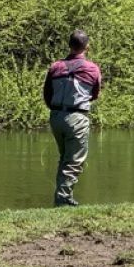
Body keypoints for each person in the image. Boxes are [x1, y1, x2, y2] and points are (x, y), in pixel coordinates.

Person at [43, 29, 102, 207]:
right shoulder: (92, 68)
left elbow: (46, 94)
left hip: (56, 116)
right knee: (75, 161)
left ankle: (64, 197)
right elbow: (95, 94)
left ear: (69, 45)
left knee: (65, 158)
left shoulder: (55, 67)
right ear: (87, 47)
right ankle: (62, 199)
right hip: (77, 117)